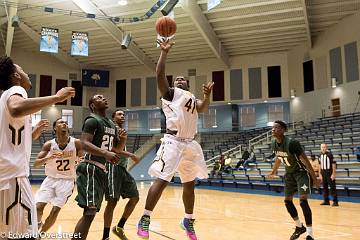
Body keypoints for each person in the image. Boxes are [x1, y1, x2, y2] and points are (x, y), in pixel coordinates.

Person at [137, 38, 214, 240]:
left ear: (188, 84)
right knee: (162, 180)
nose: (179, 80)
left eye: (182, 79)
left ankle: (188, 220)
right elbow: (159, 75)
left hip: (190, 144)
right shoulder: (171, 94)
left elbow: (203, 108)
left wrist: (207, 97)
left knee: (189, 184)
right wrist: (164, 52)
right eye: (176, 79)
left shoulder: (191, 98)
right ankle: (145, 218)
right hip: (173, 142)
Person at [0, 56, 75, 239]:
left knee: (8, 234)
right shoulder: (16, 90)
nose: (27, 74)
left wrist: (32, 133)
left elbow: (11, 138)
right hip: (13, 179)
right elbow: (16, 108)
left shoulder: (2, 99)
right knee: (27, 235)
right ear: (16, 75)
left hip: (6, 178)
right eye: (23, 69)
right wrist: (57, 97)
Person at [72, 95, 139, 240]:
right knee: (90, 211)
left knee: (91, 212)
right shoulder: (92, 120)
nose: (104, 98)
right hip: (90, 167)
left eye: (103, 96)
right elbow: (84, 143)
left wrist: (123, 140)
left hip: (102, 169)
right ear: (92, 105)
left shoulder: (109, 123)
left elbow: (117, 149)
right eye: (99, 97)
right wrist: (104, 152)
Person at [267, 120, 320, 240]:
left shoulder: (292, 143)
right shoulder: (274, 143)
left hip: (301, 173)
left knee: (302, 201)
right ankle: (299, 226)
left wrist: (314, 178)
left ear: (283, 130)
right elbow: (280, 157)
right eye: (273, 128)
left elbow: (306, 160)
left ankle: (310, 234)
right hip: (289, 175)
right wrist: (274, 171)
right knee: (287, 201)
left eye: (276, 127)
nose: (273, 129)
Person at [34, 118, 83, 233]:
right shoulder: (49, 144)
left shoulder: (76, 143)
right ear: (55, 128)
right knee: (38, 207)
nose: (64, 124)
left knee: (55, 210)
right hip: (50, 179)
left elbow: (82, 158)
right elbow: (36, 163)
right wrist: (49, 157)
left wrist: (81, 161)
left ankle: (40, 235)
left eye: (66, 122)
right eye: (61, 122)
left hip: (67, 181)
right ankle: (36, 226)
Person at [102, 109, 140, 240]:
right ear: (113, 118)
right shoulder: (111, 129)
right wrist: (131, 154)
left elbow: (119, 149)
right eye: (119, 114)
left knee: (135, 198)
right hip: (112, 167)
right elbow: (111, 149)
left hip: (122, 169)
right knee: (112, 201)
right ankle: (105, 236)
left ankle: (119, 227)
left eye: (123, 114)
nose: (122, 116)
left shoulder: (121, 130)